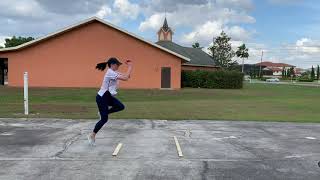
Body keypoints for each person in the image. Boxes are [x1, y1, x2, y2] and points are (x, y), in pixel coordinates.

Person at [88, 57, 133, 146]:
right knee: (104, 119)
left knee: (121, 106)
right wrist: (130, 67)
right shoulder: (110, 72)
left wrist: (128, 70)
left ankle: (103, 113)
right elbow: (125, 78)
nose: (118, 66)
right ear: (112, 64)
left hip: (108, 96)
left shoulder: (114, 72)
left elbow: (127, 77)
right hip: (102, 97)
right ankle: (92, 135)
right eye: (117, 65)